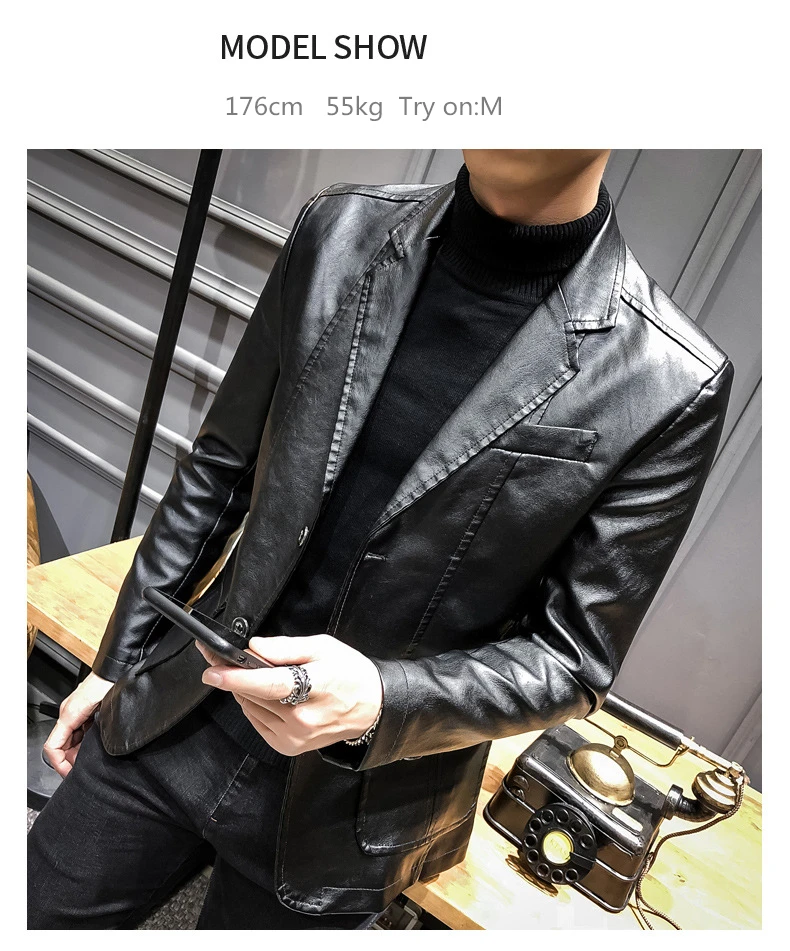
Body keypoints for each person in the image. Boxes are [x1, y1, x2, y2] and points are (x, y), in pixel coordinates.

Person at [28, 149, 734, 929]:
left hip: (353, 810)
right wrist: (117, 658)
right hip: (179, 708)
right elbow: (221, 466)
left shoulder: (667, 378)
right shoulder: (341, 229)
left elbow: (571, 658)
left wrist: (381, 700)